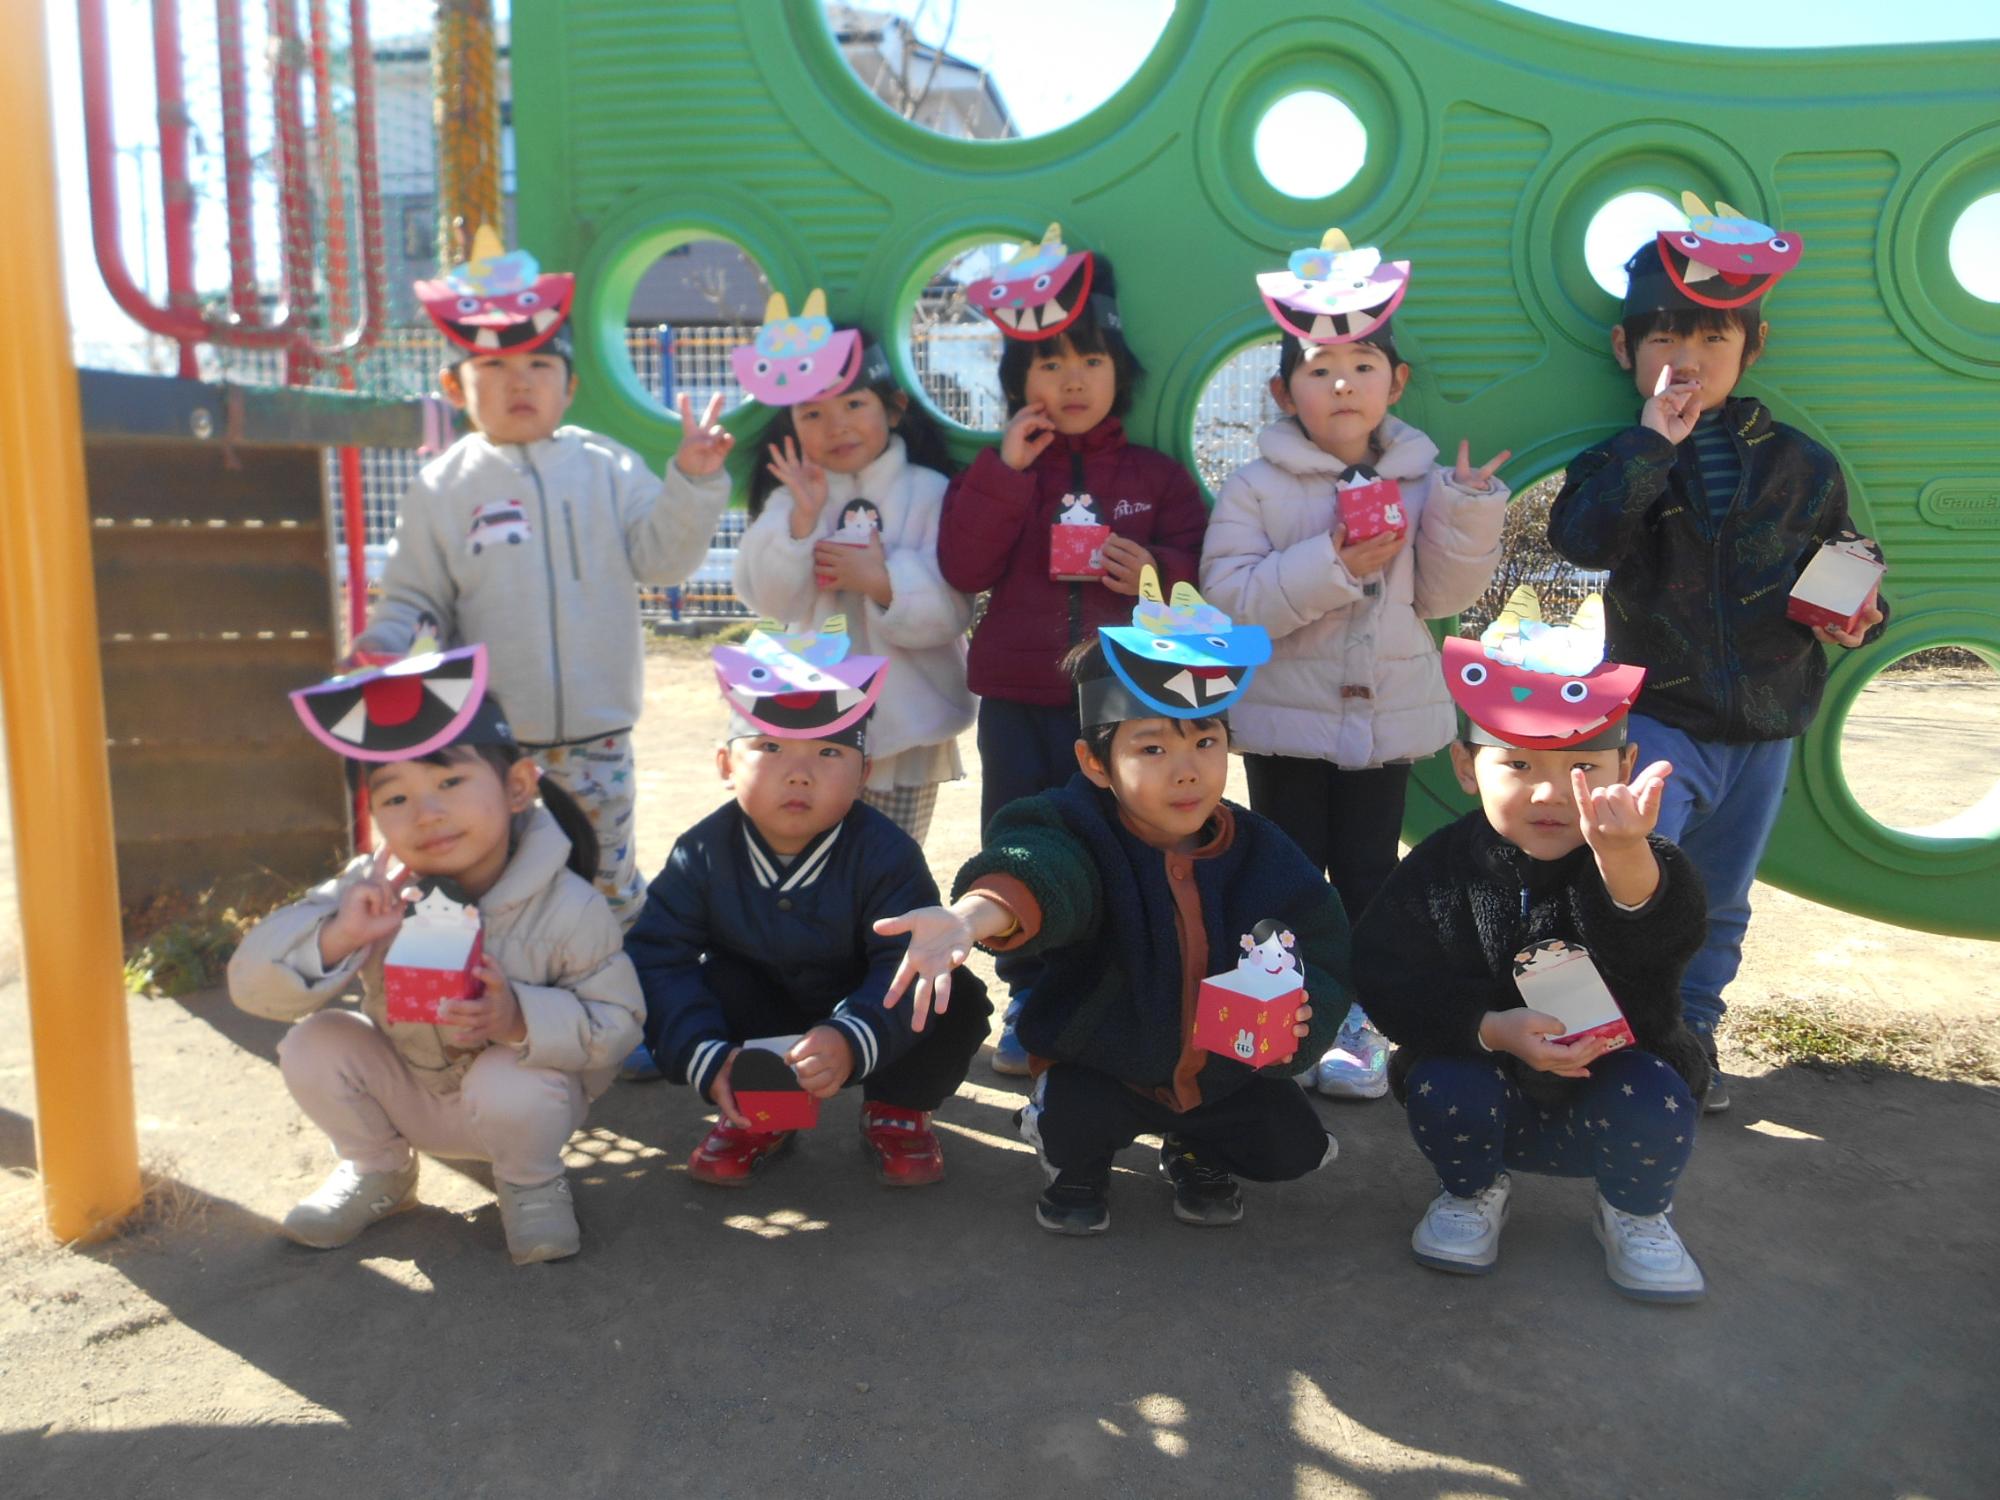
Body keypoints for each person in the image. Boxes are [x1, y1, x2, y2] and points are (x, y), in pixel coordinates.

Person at [875, 569, 1345, 1235]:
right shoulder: (1076, 825)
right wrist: (971, 916)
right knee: (1076, 1124)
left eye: (1205, 741)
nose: (1186, 769)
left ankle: (1194, 1147)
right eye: (1152, 747)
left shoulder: (1260, 849)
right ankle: (1068, 1151)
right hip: (1102, 1065)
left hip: (1221, 1071)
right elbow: (1041, 867)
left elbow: (1318, 940)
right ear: (1096, 762)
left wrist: (1302, 1016)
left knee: (1291, 1145)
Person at [1547, 198, 1887, 1112]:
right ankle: (1620, 1028)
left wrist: (1863, 615)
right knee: (1634, 881)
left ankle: (1693, 1032)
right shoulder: (1620, 458)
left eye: (1712, 338)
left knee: (1724, 900)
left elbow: (1845, 557)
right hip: (1662, 714)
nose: (1687, 359)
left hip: (1768, 724)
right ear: (1625, 350)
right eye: (1663, 338)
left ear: (1754, 346)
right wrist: (1650, 445)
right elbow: (1584, 539)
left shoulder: (1803, 465)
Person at [1201, 227, 1510, 1102]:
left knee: (1372, 874)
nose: (1343, 383)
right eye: (1319, 368)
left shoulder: (1419, 479)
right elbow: (1229, 602)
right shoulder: (1256, 485)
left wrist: (1466, 510)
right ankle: (1281, 1015)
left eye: (1364, 365)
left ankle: (1364, 1022)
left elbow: (1441, 593)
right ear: (1283, 391)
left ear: (1395, 382)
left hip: (1383, 722)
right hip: (1284, 723)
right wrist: (1333, 564)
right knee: (1286, 873)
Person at [356, 225, 733, 929]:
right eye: (495, 368)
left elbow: (663, 560)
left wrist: (693, 482)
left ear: (571, 385)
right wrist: (385, 641)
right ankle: (492, 986)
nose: (520, 381)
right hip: (490, 738)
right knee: (490, 873)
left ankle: (614, 986)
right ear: (456, 386)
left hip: (599, 731)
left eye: (539, 365)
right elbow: (413, 594)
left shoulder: (607, 466)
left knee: (603, 875)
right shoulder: (444, 485)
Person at [228, 645, 644, 1265]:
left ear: (517, 786)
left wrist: (519, 1019)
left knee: (510, 1080)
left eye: (449, 782)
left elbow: (619, 1025)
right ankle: (379, 1170)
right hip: (411, 1091)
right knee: (315, 1041)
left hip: (522, 1106)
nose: (427, 814)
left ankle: (530, 1183)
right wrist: (341, 934)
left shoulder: (568, 906)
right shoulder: (373, 890)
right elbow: (251, 986)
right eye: (396, 798)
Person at [1352, 593, 1712, 1301]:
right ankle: (1473, 1192)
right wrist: (1488, 1028)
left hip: (1615, 1077)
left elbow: (1665, 939)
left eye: (1583, 768)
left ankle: (1634, 1211)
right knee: (1442, 1085)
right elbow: (1387, 973)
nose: (1550, 793)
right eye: (1517, 764)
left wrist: (1623, 858)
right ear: (1466, 767)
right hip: (1486, 1079)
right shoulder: (1438, 868)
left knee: (1657, 1095)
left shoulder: (1642, 859)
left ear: (1625, 764)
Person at [936, 227, 1209, 1074]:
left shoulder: (1156, 477)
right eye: (1049, 364)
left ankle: (1113, 993)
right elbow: (963, 566)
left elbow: (1202, 571)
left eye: (1091, 360)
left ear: (1119, 370)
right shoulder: (1004, 470)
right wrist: (1007, 473)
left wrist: (1156, 570)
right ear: (1020, 382)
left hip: (1127, 707)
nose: (1073, 380)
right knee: (1018, 838)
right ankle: (1028, 996)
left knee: (1124, 843)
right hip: (1018, 701)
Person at [623, 621, 991, 1187]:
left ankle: (898, 1108)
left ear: (864, 773)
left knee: (946, 991)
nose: (799, 774)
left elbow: (902, 961)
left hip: (867, 1004)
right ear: (726, 765)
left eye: (828, 751)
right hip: (759, 1008)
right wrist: (706, 1056)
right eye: (769, 747)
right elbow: (657, 959)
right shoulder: (700, 853)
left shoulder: (887, 854)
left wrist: (850, 1037)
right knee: (718, 981)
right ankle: (761, 1110)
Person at [731, 300, 974, 846]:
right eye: (812, 413)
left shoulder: (929, 492)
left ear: (894, 408)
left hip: (908, 727)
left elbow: (953, 611)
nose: (835, 425)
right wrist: (800, 523)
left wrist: (882, 581)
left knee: (891, 861)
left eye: (854, 403)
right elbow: (770, 601)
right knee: (812, 857)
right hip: (811, 723)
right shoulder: (795, 497)